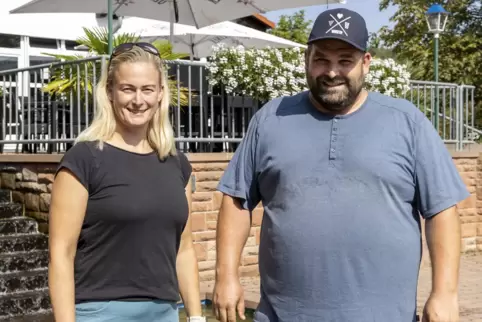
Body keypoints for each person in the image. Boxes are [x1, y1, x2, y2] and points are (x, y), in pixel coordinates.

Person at [212, 8, 468, 322]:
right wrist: (226, 276)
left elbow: (442, 210)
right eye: (321, 59)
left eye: (345, 60)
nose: (332, 71)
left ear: (366, 63)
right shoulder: (271, 118)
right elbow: (237, 199)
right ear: (306, 60)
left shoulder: (406, 122)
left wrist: (445, 293)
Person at [48, 43, 206, 322]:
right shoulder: (84, 159)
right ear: (109, 93)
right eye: (127, 89)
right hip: (99, 312)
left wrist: (196, 317)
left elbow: (184, 249)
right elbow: (61, 254)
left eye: (147, 89)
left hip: (164, 312)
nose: (138, 100)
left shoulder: (176, 164)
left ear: (160, 94)